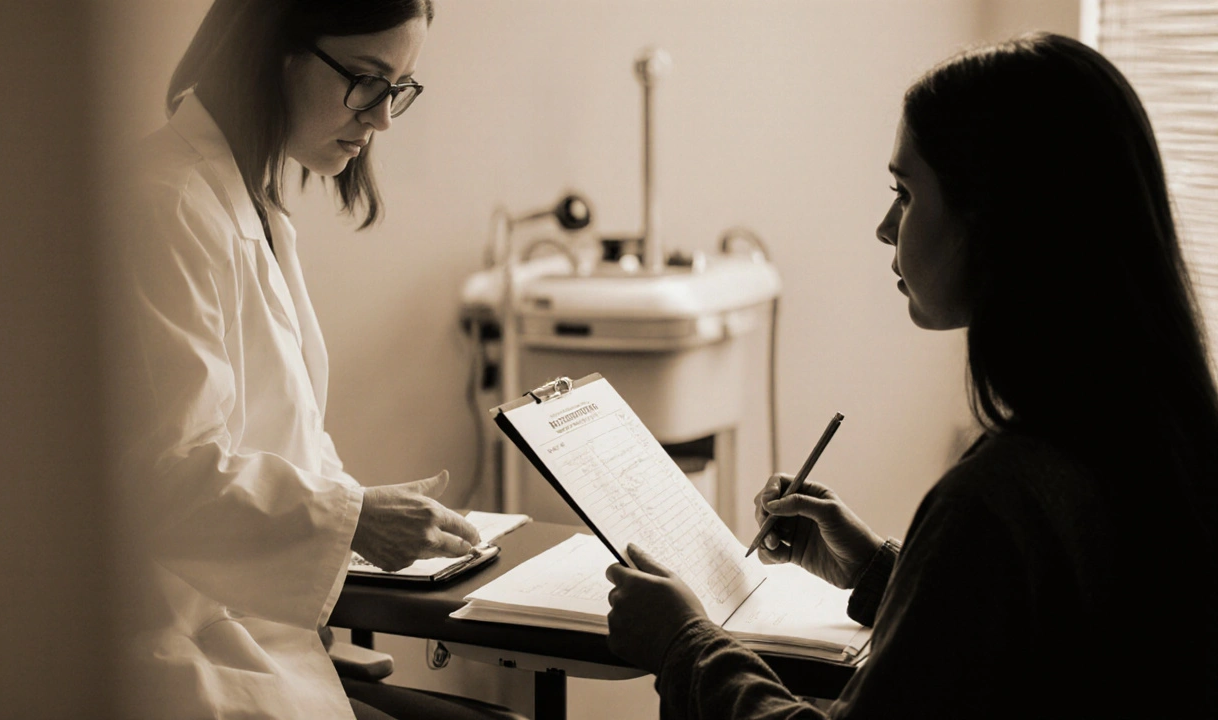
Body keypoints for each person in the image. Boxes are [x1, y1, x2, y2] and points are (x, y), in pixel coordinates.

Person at [604, 32, 1218, 719]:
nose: (884, 226)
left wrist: (684, 645)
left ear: (994, 218)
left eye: (904, 192)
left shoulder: (996, 502)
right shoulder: (1154, 443)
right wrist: (882, 574)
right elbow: (1033, 651)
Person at [106, 1, 521, 718]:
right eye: (367, 81)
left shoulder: (249, 205)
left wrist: (365, 511)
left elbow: (277, 436)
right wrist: (352, 520)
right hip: (182, 659)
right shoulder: (166, 204)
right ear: (273, 51)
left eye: (398, 88)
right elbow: (166, 479)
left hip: (262, 642)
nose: (382, 119)